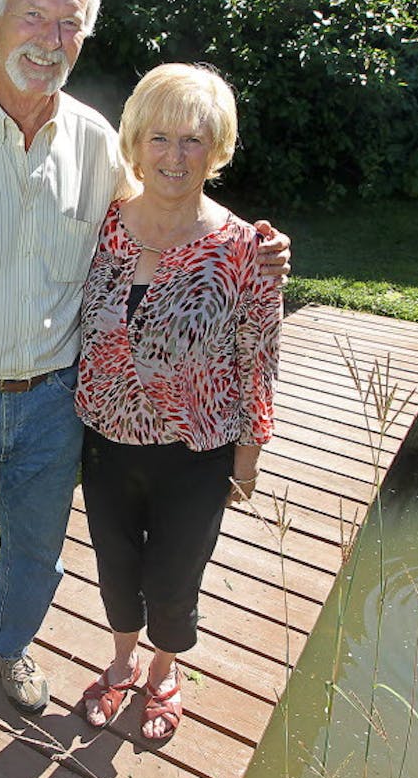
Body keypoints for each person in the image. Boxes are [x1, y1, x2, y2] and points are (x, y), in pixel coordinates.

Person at [0, 0, 290, 778]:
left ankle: (9, 649)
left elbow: (172, 202)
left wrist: (257, 243)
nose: (50, 38)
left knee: (34, 555)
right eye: (34, 15)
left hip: (58, 404)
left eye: (71, 23)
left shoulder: (97, 144)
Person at [75, 63, 283, 742]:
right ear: (135, 143)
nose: (174, 155)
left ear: (216, 150)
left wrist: (246, 463)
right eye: (160, 137)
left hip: (195, 451)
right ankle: (123, 661)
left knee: (172, 577)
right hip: (105, 442)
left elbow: (260, 360)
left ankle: (165, 670)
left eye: (194, 140)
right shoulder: (102, 227)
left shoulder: (246, 249)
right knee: (114, 568)